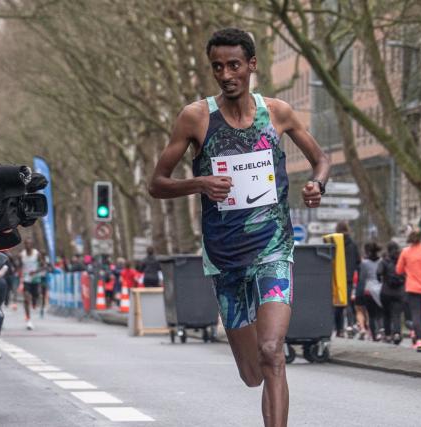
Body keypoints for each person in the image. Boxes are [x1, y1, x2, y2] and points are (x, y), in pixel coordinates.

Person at [148, 27, 329, 427]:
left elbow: (321, 160)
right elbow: (156, 184)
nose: (226, 74)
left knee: (271, 352)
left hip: (273, 248)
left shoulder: (277, 113)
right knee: (251, 373)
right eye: (217, 67)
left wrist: (318, 184)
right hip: (225, 256)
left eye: (234, 65)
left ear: (251, 65)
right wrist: (200, 182)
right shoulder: (196, 118)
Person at [334, 220, 360, 337]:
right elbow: (358, 261)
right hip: (349, 277)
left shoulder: (334, 242)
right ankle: (350, 325)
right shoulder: (353, 244)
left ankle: (339, 329)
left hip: (336, 277)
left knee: (337, 304)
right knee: (348, 302)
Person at [378, 241, 405, 344]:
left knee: (386, 314)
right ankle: (397, 333)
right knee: (396, 314)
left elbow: (378, 273)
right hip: (398, 292)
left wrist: (382, 279)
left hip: (386, 292)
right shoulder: (401, 259)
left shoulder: (384, 261)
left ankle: (388, 335)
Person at [354, 242, 382, 341]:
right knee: (379, 313)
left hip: (368, 290)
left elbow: (362, 277)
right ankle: (381, 330)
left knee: (371, 314)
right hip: (379, 289)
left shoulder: (364, 263)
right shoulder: (381, 261)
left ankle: (374, 335)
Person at [18, 237, 44, 330]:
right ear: (25, 245)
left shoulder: (37, 254)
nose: (28, 245)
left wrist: (36, 271)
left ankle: (34, 301)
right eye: (26, 244)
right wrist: (19, 273)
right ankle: (28, 320)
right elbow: (20, 266)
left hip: (35, 279)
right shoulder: (22, 255)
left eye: (30, 244)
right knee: (26, 299)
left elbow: (43, 266)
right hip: (26, 280)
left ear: (32, 245)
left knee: (35, 296)